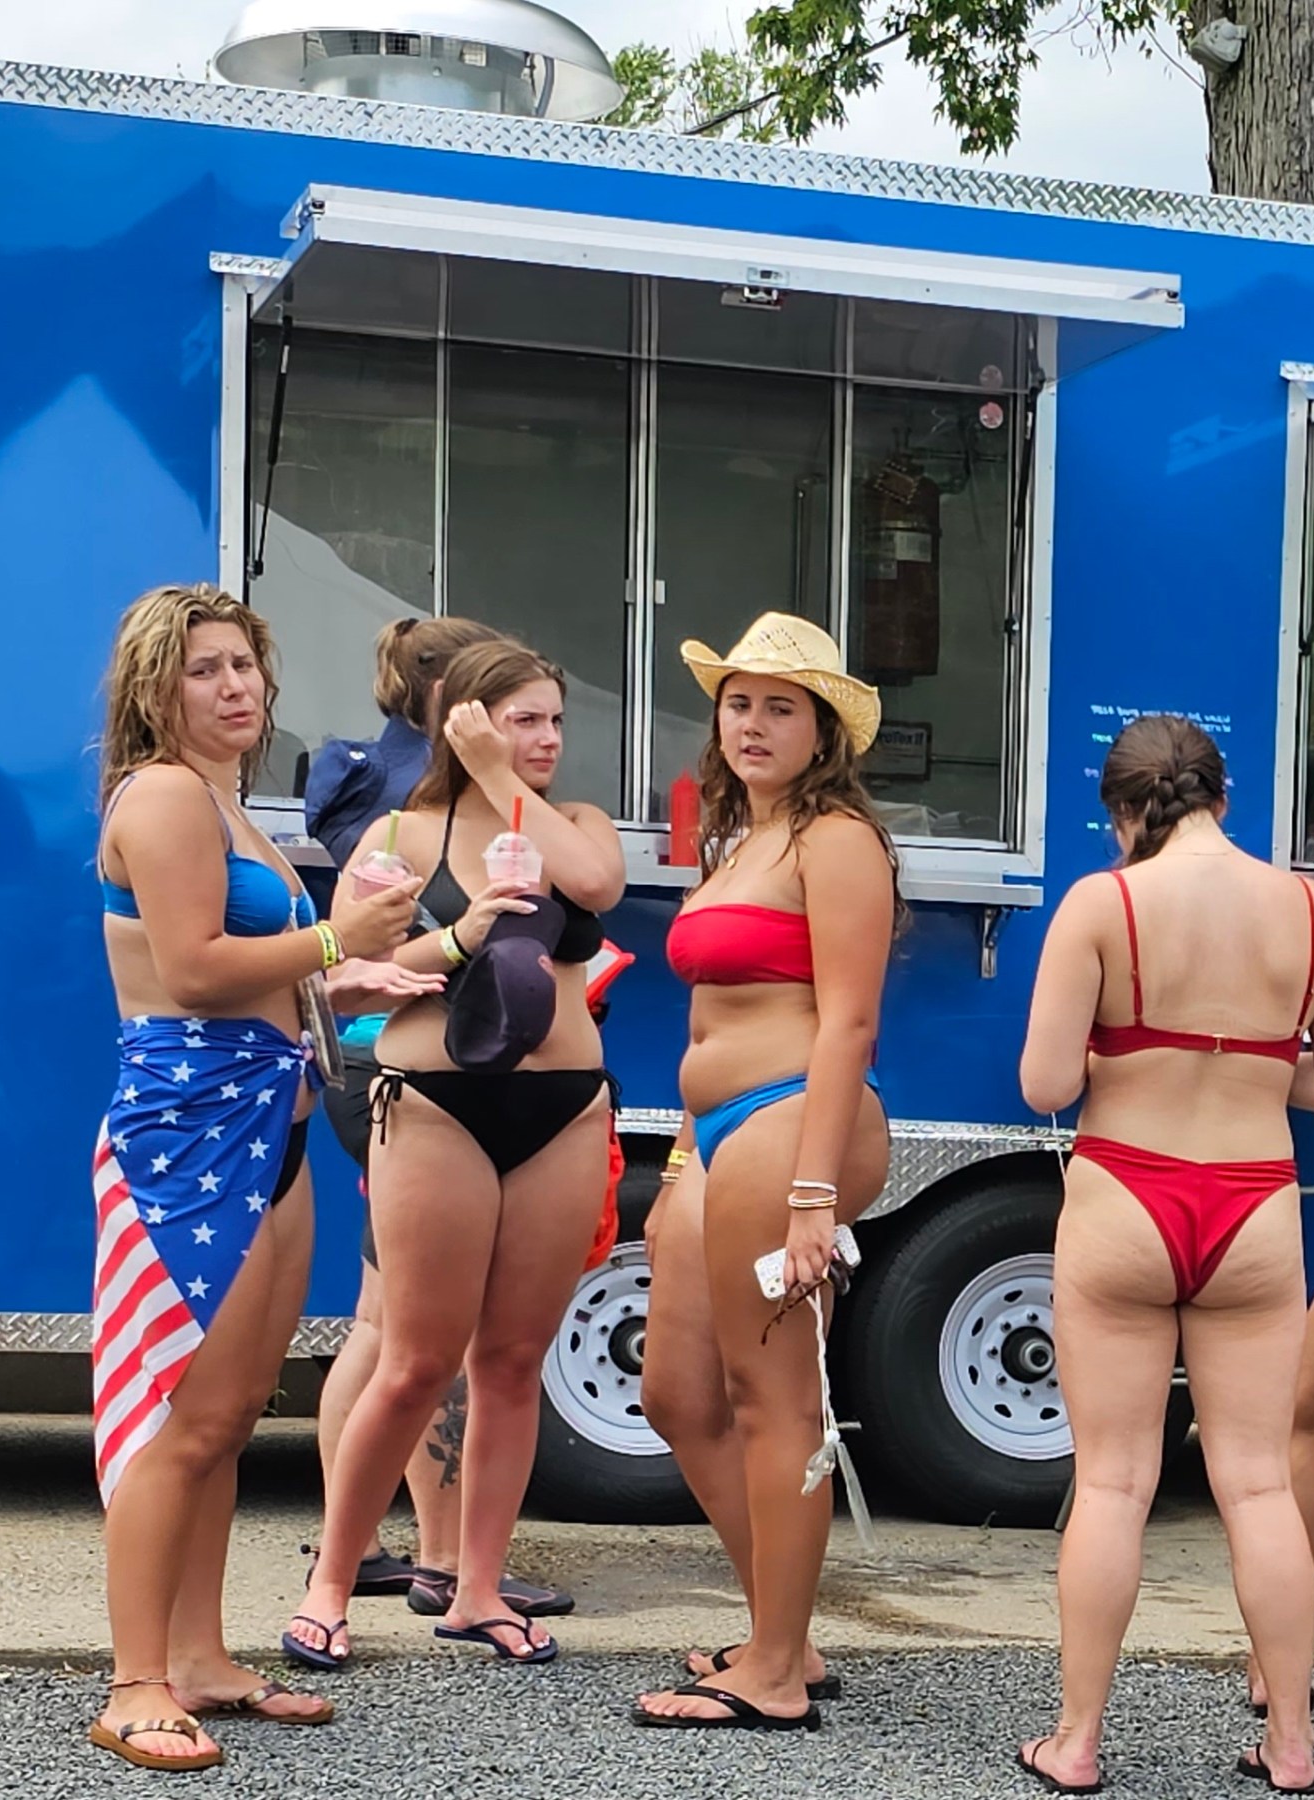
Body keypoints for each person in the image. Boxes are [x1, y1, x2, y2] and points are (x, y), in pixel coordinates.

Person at [89, 583, 431, 1770]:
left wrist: (346, 983)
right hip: (188, 1136)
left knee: (230, 1416)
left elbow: (257, 975)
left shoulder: (232, 806)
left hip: (266, 1122)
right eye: (206, 670)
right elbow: (190, 972)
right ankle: (135, 1680)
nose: (236, 688)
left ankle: (198, 1657)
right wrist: (345, 941)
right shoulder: (170, 796)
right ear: (155, 689)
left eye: (245, 666)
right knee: (179, 1421)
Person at [1013, 715, 1314, 1796]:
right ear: (1223, 794)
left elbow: (1044, 1084)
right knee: (1259, 1485)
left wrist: (1138, 1054)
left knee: (1114, 1481)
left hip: (1127, 1185)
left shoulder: (1104, 904)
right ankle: (1292, 1743)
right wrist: (1261, 1073)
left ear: (1122, 811)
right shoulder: (1311, 909)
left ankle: (1077, 1742)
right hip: (1254, 1207)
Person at [290, 637, 625, 1667]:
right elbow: (348, 965)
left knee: (515, 1361)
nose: (548, 739)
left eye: (555, 721)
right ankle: (332, 1583)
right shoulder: (398, 831)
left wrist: (496, 776)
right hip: (433, 1102)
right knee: (416, 1360)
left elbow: (597, 891)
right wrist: (463, 935)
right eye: (523, 719)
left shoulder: (574, 825)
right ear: (467, 718)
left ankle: (477, 1586)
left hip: (563, 1108)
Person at [634, 613, 896, 1732]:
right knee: (678, 1396)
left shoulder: (834, 841)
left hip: (796, 1127)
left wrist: (810, 1194)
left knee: (778, 1403)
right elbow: (704, 1006)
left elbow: (849, 1026)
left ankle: (777, 1675)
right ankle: (777, 1631)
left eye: (780, 707)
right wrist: (685, 1158)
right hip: (724, 1139)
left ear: (823, 729)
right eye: (739, 702)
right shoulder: (740, 839)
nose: (753, 723)